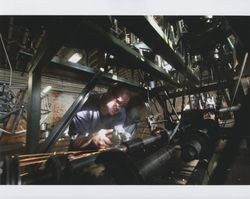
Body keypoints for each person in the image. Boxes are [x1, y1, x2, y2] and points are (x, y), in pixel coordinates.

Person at [69, 84, 136, 150]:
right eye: (118, 102)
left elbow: (118, 132)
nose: (119, 108)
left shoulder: (121, 111)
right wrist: (92, 140)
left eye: (122, 105)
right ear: (108, 93)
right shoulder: (85, 107)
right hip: (79, 156)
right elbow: (75, 143)